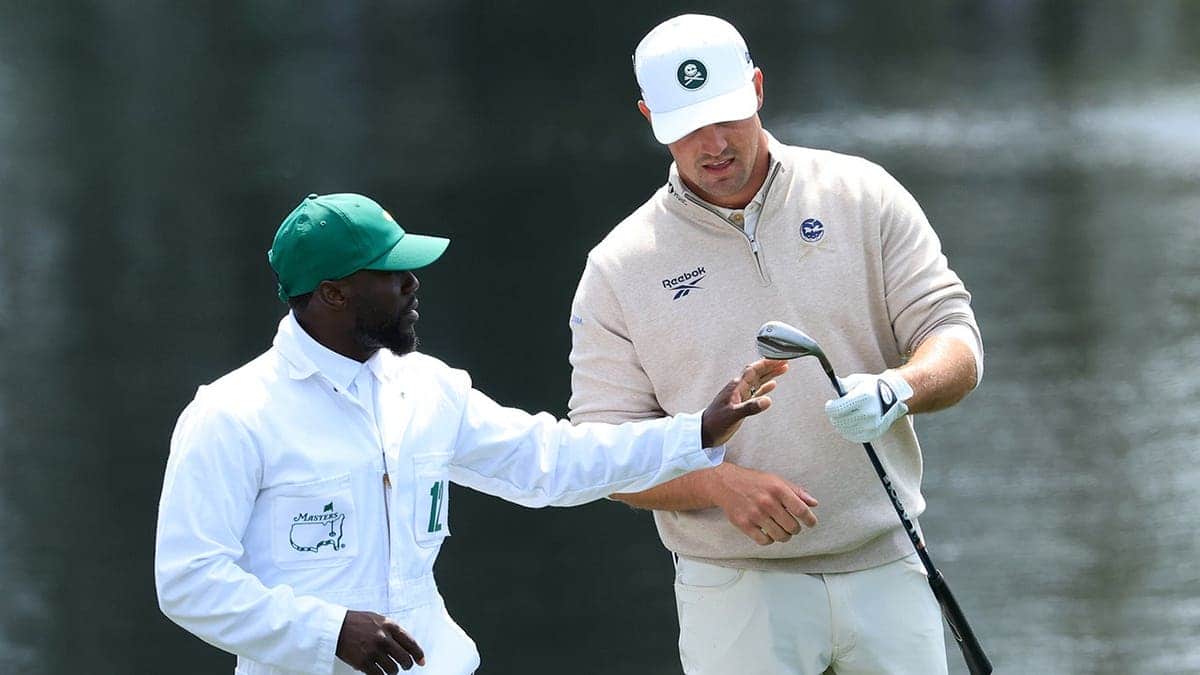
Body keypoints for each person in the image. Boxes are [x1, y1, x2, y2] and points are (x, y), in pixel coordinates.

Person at [154, 192, 788, 675]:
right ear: (333, 294)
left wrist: (695, 430)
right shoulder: (232, 414)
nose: (413, 284)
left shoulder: (428, 389)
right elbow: (189, 581)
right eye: (392, 273)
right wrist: (326, 632)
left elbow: (551, 462)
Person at [567, 14, 984, 675]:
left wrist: (898, 389)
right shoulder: (619, 264)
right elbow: (599, 448)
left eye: (727, 116)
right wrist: (718, 484)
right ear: (649, 114)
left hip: (886, 563)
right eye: (686, 126)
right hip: (732, 588)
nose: (713, 144)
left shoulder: (861, 194)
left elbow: (954, 339)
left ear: (757, 88)